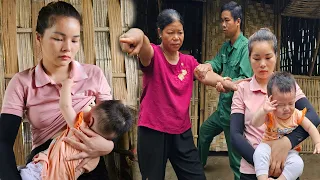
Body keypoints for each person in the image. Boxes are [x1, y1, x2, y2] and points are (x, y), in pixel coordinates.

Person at [0, 1, 115, 179]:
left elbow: (111, 122)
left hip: (87, 162)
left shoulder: (93, 74)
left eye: (75, 40)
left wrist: (109, 146)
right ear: (39, 38)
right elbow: (3, 141)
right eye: (58, 38)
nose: (67, 48)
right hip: (46, 162)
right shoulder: (22, 82)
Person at [119, 8, 238, 180]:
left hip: (181, 132)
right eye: (170, 32)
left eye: (180, 32)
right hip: (153, 131)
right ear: (159, 33)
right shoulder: (153, 55)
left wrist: (225, 82)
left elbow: (204, 74)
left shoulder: (188, 61)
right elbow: (143, 42)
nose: (176, 37)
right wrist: (136, 34)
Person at [230, 28, 320, 180]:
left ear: (276, 56)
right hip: (254, 170)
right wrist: (264, 165)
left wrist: (287, 142)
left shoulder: (287, 86)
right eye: (256, 58)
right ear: (249, 58)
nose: (263, 64)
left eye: (268, 57)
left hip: (285, 167)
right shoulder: (242, 90)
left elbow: (313, 117)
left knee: (298, 165)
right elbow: (235, 135)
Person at [19, 77, 133, 180]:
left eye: (93, 105)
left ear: (90, 120)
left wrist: (66, 85)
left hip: (38, 172)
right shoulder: (94, 159)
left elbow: (65, 106)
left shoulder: (79, 127)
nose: (90, 105)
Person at [196, 1, 253, 179]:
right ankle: (198, 168)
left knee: (236, 160)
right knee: (204, 132)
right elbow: (217, 63)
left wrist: (225, 84)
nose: (222, 25)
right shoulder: (226, 47)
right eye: (221, 20)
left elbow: (245, 80)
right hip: (222, 111)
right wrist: (207, 65)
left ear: (238, 21)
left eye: (226, 20)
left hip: (235, 113)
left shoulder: (246, 48)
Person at [251, 71, 320, 180]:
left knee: (298, 164)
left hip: (290, 151)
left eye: (291, 103)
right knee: (259, 153)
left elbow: (310, 127)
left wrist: (317, 142)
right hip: (268, 147)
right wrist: (263, 111)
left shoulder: (296, 114)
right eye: (281, 105)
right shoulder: (270, 113)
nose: (287, 108)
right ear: (271, 101)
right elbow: (255, 123)